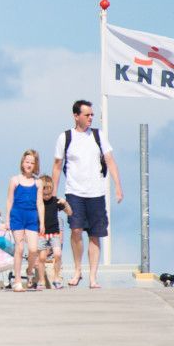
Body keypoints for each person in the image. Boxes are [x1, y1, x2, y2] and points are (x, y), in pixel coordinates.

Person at [52, 99, 122, 289]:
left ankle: (93, 276)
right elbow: (57, 166)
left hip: (96, 193)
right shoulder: (65, 137)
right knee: (75, 230)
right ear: (76, 116)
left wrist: (117, 186)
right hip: (74, 191)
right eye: (87, 115)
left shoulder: (99, 136)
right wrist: (52, 192)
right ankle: (77, 270)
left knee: (95, 234)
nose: (91, 118)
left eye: (92, 114)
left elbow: (110, 160)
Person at [4, 150, 46, 291]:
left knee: (34, 249)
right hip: (17, 215)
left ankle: (29, 271)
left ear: (35, 165)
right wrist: (7, 220)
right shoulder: (15, 180)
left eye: (32, 162)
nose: (29, 164)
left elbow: (40, 203)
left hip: (32, 216)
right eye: (27, 161)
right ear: (22, 163)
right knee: (20, 248)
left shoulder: (38, 182)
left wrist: (42, 222)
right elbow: (9, 201)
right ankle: (17, 281)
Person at [37, 173, 71, 288]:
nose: (47, 196)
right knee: (41, 258)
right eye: (44, 194)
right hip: (41, 234)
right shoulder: (37, 203)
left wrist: (65, 203)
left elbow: (70, 212)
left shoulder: (55, 201)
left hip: (54, 233)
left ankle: (56, 278)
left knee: (57, 254)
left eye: (49, 193)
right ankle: (41, 280)